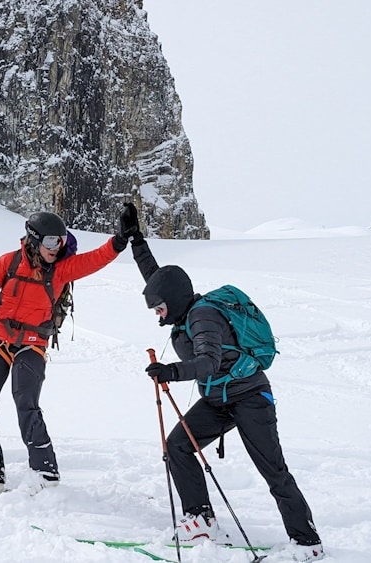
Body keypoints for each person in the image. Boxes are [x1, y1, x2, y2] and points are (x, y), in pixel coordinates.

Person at [120, 203, 324, 561]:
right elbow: (157, 278)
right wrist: (135, 239)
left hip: (250, 397)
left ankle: (308, 542)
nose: (157, 314)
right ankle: (200, 519)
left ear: (175, 302)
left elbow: (208, 362)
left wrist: (172, 372)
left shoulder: (202, 317)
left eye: (159, 308)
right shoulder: (183, 308)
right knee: (178, 445)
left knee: (272, 470)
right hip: (220, 399)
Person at [0, 209, 131, 495]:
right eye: (52, 242)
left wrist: (118, 241)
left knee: (25, 400)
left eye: (62, 241)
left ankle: (45, 471)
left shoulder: (61, 270)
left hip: (32, 343)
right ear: (34, 239)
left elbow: (94, 260)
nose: (58, 248)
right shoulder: (9, 261)